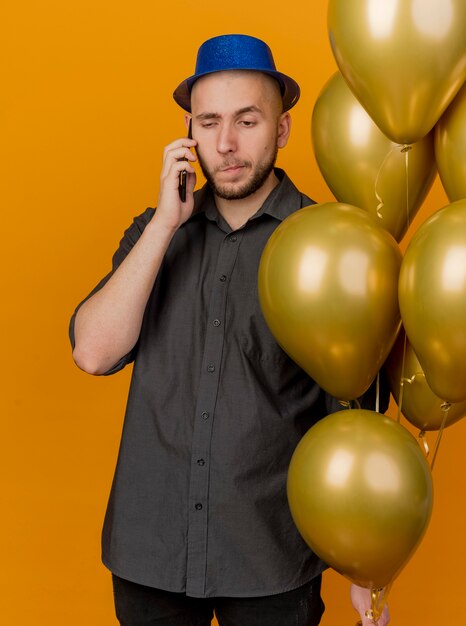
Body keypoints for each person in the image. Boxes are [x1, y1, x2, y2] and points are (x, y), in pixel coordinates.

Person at [70, 34, 390, 626]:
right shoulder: (155, 231)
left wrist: (365, 565)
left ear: (283, 129)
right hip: (151, 554)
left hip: (272, 560)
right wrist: (166, 223)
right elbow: (92, 352)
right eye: (209, 121)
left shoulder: (326, 245)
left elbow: (354, 418)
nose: (225, 144)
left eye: (247, 120)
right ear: (189, 131)